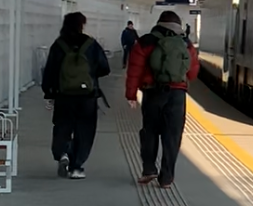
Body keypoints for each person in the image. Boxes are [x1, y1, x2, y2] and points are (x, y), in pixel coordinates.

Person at [125, 10, 200, 188]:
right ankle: (166, 177)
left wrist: (131, 94)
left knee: (150, 131)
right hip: (177, 94)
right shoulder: (186, 43)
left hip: (152, 93)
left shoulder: (145, 42)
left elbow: (134, 70)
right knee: (172, 136)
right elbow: (193, 72)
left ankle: (149, 169)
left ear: (158, 23)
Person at [41, 12, 111, 179]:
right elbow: (105, 68)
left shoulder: (58, 45)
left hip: (63, 95)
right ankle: (76, 167)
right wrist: (90, 75)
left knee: (62, 126)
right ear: (82, 25)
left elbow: (49, 71)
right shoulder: (91, 44)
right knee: (85, 130)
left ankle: (62, 153)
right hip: (87, 96)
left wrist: (48, 92)